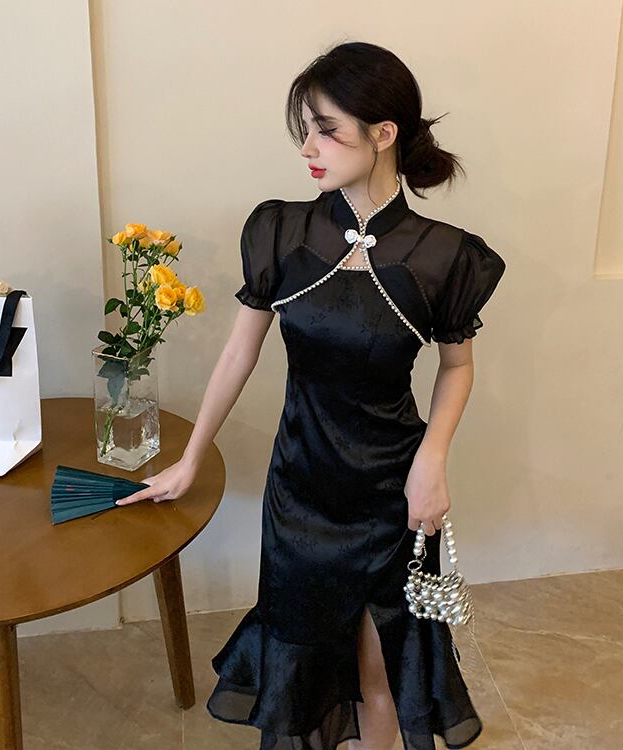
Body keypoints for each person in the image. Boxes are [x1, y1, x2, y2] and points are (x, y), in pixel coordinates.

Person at [116, 41, 506, 750]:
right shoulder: (281, 232)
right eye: (305, 129)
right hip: (300, 488)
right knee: (302, 655)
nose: (308, 147)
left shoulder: (445, 254)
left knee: (380, 667)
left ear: (383, 134)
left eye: (326, 129)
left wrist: (433, 460)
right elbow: (239, 352)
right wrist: (190, 458)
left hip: (392, 489)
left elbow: (457, 367)